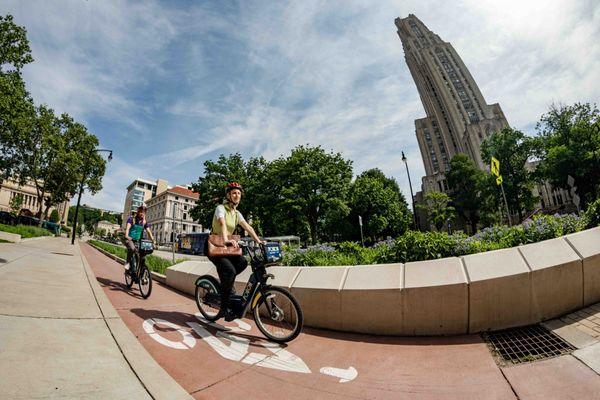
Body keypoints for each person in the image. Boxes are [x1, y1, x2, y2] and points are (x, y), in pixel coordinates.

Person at [209, 182, 264, 321]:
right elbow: (222, 223)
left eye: (239, 193)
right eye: (234, 193)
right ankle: (223, 308)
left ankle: (226, 284)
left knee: (243, 263)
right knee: (230, 271)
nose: (237, 195)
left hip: (227, 247)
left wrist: (259, 241)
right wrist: (226, 238)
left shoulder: (236, 213)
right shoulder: (220, 208)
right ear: (228, 195)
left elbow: (248, 227)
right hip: (215, 246)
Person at [124, 204, 155, 272]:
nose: (142, 213)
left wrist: (153, 240)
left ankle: (139, 272)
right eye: (141, 211)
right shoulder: (132, 219)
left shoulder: (144, 222)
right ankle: (128, 262)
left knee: (142, 255)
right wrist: (127, 235)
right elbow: (128, 228)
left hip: (138, 241)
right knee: (132, 248)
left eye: (143, 212)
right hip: (130, 239)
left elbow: (149, 232)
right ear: (138, 212)